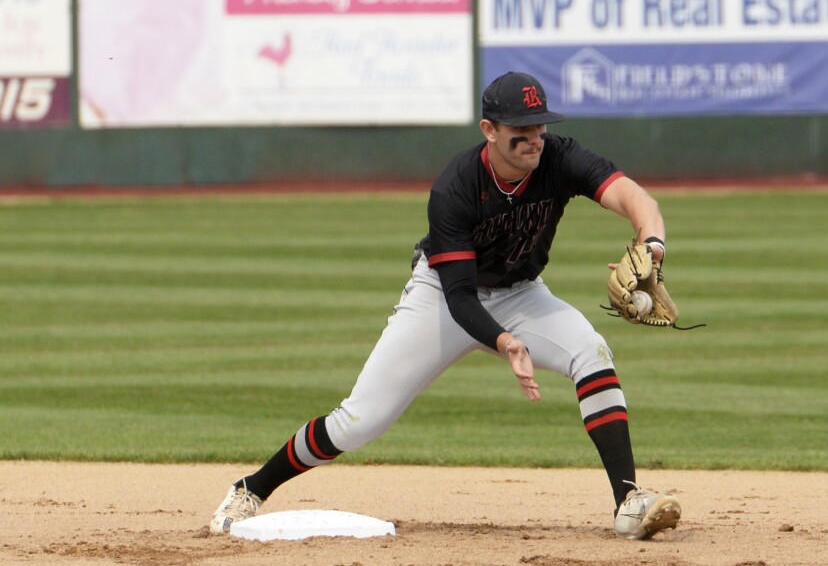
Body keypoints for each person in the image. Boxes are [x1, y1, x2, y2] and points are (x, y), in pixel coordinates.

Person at [210, 71, 681, 540]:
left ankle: (628, 501)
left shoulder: (560, 157)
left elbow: (635, 198)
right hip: (441, 294)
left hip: (522, 291)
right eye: (521, 129)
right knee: (358, 421)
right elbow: (459, 296)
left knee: (590, 350)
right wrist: (504, 340)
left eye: (539, 125)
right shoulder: (456, 186)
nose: (534, 138)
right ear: (489, 130)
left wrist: (653, 245)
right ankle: (252, 487)